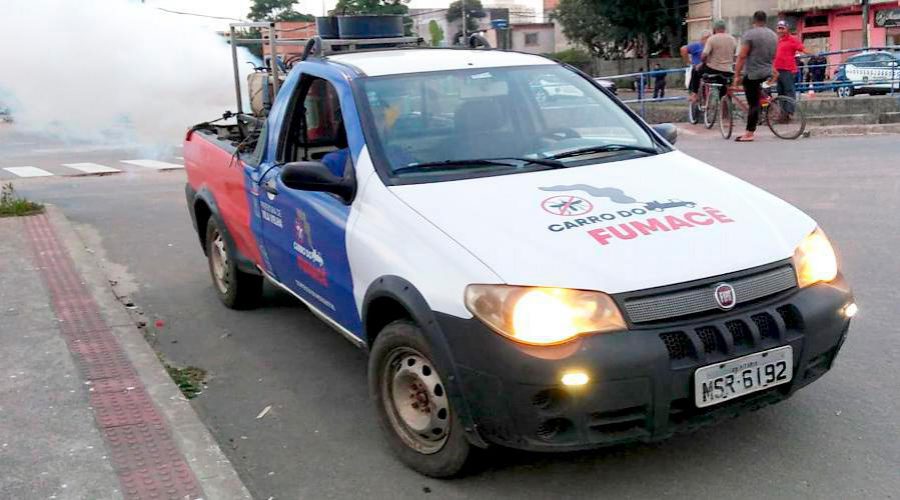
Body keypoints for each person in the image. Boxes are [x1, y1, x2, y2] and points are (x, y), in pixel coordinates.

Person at [733, 10, 778, 142]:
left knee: (753, 103)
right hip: (768, 72)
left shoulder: (749, 35)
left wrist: (737, 74)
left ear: (754, 21)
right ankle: (767, 104)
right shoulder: (773, 35)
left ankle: (749, 133)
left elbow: (742, 56)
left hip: (753, 73)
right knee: (761, 95)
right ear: (765, 20)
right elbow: (774, 55)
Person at [773, 20, 808, 116]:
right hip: (777, 70)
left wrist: (814, 54)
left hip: (787, 69)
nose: (780, 31)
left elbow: (802, 48)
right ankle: (783, 113)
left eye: (782, 28)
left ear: (787, 29)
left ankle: (789, 112)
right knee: (780, 92)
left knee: (789, 91)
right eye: (779, 28)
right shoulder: (777, 40)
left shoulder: (792, 39)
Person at [700, 20, 738, 99]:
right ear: (724, 28)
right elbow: (734, 55)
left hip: (713, 69)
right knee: (725, 89)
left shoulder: (711, 39)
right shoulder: (733, 39)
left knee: (695, 71)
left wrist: (704, 62)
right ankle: (726, 105)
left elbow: (704, 55)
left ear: (714, 29)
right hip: (728, 71)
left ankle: (694, 94)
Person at [683, 30, 712, 101]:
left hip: (708, 67)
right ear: (702, 39)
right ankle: (694, 94)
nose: (708, 40)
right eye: (707, 38)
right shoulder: (697, 45)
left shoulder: (711, 45)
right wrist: (688, 62)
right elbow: (683, 49)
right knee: (694, 72)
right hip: (698, 67)